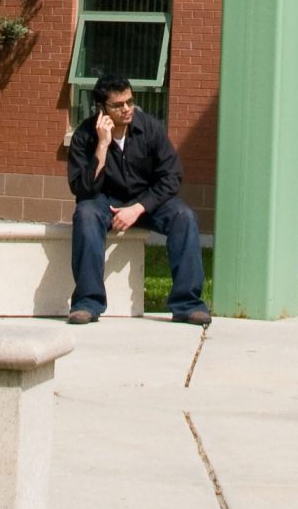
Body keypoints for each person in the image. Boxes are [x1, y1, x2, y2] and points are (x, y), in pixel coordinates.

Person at [66, 73, 208, 325]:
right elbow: (82, 189)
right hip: (103, 201)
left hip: (147, 201)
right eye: (118, 105)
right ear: (102, 108)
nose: (127, 109)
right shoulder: (84, 136)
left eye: (130, 102)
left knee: (183, 216)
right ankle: (88, 303)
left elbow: (172, 176)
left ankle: (187, 304)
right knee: (85, 214)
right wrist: (102, 145)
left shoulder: (150, 128)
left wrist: (138, 208)